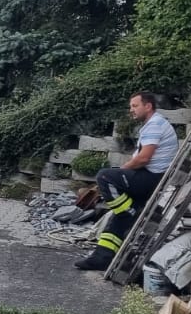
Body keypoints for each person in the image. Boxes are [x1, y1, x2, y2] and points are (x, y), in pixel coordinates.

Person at [75, 91, 180, 271]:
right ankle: (101, 258)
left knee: (105, 176)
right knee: (117, 218)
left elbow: (143, 158)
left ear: (148, 106)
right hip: (152, 177)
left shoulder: (154, 125)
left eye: (135, 106)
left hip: (150, 178)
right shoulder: (157, 123)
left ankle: (129, 212)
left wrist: (123, 169)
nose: (131, 110)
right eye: (130, 106)